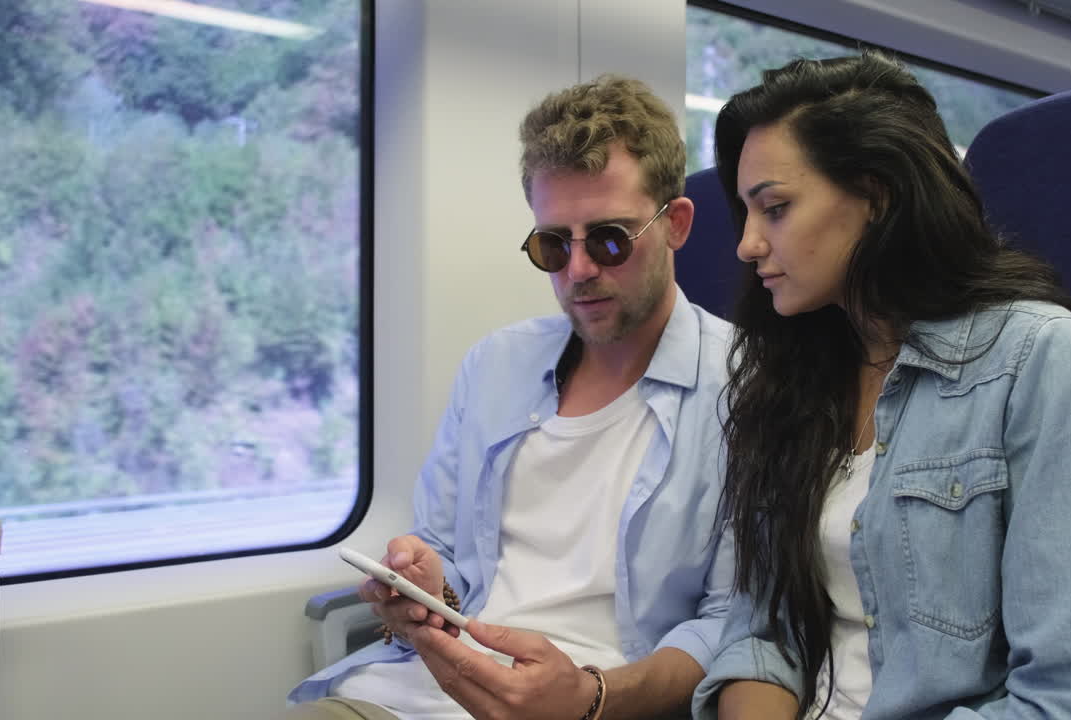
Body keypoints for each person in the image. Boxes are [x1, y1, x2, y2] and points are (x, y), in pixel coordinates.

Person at [692, 52, 1071, 719]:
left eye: (777, 209)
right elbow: (764, 633)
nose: (747, 245)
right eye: (748, 214)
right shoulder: (798, 379)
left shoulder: (1040, 360)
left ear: (877, 197)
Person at [284, 75, 735, 720]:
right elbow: (448, 558)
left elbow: (736, 622)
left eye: (610, 239)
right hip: (422, 690)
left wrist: (594, 696)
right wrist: (423, 583)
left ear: (678, 225)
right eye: (553, 244)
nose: (578, 271)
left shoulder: (747, 388)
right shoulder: (495, 366)